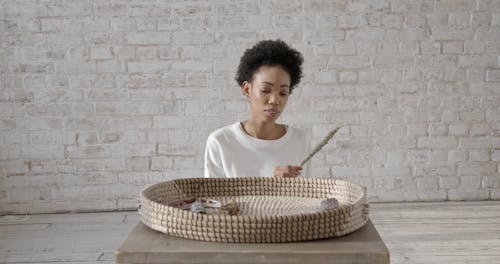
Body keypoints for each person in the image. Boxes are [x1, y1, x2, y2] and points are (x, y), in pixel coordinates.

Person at [204, 39, 311, 178]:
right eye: (266, 90)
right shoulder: (220, 142)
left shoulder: (300, 141)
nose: (275, 100)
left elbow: (309, 198)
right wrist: (270, 185)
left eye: (283, 93)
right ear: (247, 89)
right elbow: (213, 199)